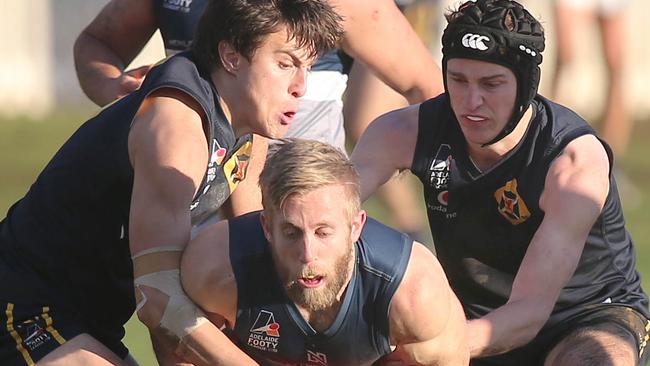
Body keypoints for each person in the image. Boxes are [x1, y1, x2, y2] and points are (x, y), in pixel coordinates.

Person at [0, 1, 343, 365]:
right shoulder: (175, 128)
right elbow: (159, 296)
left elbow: (254, 262)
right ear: (231, 56)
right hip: (24, 306)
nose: (300, 87)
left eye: (308, 66)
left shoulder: (247, 126)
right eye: (285, 63)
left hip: (91, 320)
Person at [351, 0, 650, 364]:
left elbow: (528, 313)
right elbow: (328, 213)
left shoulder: (572, 162)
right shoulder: (403, 131)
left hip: (584, 315)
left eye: (491, 84)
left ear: (526, 86)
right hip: (468, 314)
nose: (471, 101)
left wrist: (431, 345)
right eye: (458, 80)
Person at [73, 0, 444, 219]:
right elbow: (96, 42)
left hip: (301, 217)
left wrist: (448, 194)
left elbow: (427, 89)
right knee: (178, 318)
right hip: (190, 194)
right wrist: (114, 88)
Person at [180, 139, 469, 365]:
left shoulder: (412, 293)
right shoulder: (218, 266)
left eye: (323, 232)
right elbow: (178, 346)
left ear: (356, 226)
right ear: (267, 228)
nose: (307, 254)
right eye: (291, 233)